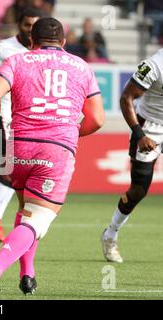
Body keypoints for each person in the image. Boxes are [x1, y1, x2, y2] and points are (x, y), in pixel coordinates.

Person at [0, 17, 104, 299]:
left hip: (17, 149)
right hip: (55, 150)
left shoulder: (17, 61)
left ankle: (28, 273)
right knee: (38, 220)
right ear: (64, 42)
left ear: (30, 41)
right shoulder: (83, 67)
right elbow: (97, 119)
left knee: (27, 212)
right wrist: (70, 135)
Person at [0, 8, 43, 244]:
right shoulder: (5, 48)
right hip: (5, 115)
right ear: (19, 25)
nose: (30, 30)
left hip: (29, 118)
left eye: (34, 26)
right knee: (9, 166)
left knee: (17, 169)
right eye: (27, 25)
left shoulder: (44, 50)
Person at [101, 48, 163, 263]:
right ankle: (111, 234)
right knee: (139, 190)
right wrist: (140, 135)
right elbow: (126, 98)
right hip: (151, 127)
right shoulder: (155, 65)